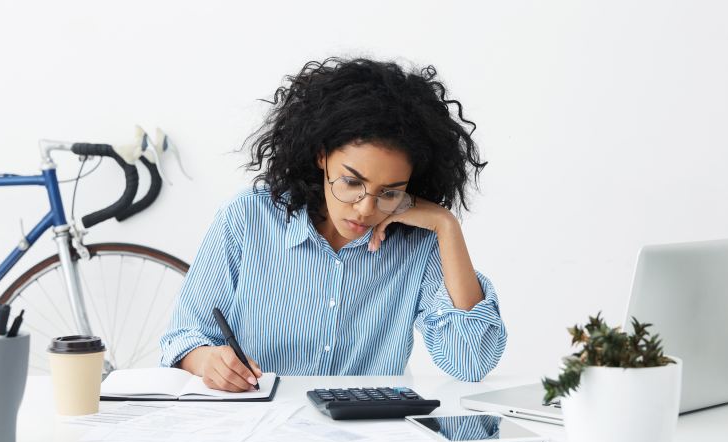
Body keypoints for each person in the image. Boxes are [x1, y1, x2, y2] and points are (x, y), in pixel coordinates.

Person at [160, 57, 506, 392]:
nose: (365, 209)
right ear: (321, 155)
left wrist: (447, 226)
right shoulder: (248, 218)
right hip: (258, 432)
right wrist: (209, 362)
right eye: (352, 182)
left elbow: (471, 361)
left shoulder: (417, 240)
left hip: (367, 437)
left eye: (389, 192)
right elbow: (183, 338)